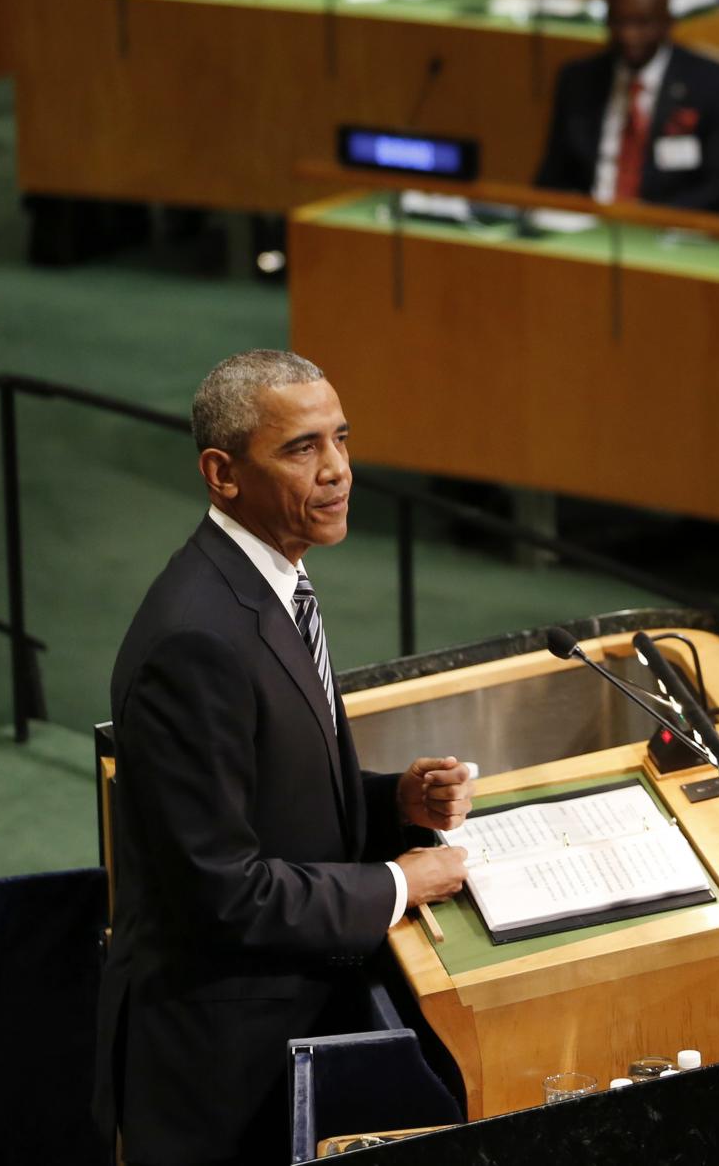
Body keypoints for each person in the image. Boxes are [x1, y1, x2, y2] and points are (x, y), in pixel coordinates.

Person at [97, 351, 477, 1164]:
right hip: (223, 1070)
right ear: (222, 473)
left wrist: (392, 803)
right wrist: (402, 882)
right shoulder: (195, 636)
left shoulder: (272, 578)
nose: (338, 469)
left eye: (340, 438)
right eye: (301, 448)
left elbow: (270, 794)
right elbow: (221, 892)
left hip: (290, 1029)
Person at [534, 0, 719, 211]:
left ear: (667, 22)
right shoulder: (578, 79)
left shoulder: (711, 84)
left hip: (668, 227)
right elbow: (552, 176)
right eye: (619, 22)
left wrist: (651, 219)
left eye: (641, 23)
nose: (628, 36)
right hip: (587, 223)